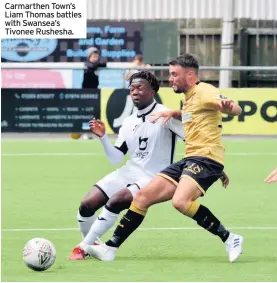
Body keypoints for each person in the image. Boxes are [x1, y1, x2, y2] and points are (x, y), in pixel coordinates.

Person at [81, 53, 244, 263]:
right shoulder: (190, 97)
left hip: (205, 159)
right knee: (141, 198)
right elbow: (193, 116)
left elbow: (233, 108)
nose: (171, 79)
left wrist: (231, 108)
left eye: (175, 74)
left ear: (190, 74)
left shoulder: (205, 90)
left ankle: (230, 238)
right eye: (170, 74)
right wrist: (175, 113)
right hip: (191, 159)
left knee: (180, 201)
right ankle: (110, 248)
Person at [69, 71, 185, 260]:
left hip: (153, 177)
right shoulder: (129, 122)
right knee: (87, 204)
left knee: (117, 200)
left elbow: (192, 140)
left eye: (140, 87)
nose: (135, 92)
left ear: (152, 90)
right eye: (132, 89)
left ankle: (83, 247)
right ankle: (92, 243)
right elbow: (116, 158)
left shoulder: (166, 115)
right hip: (129, 171)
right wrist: (103, 138)